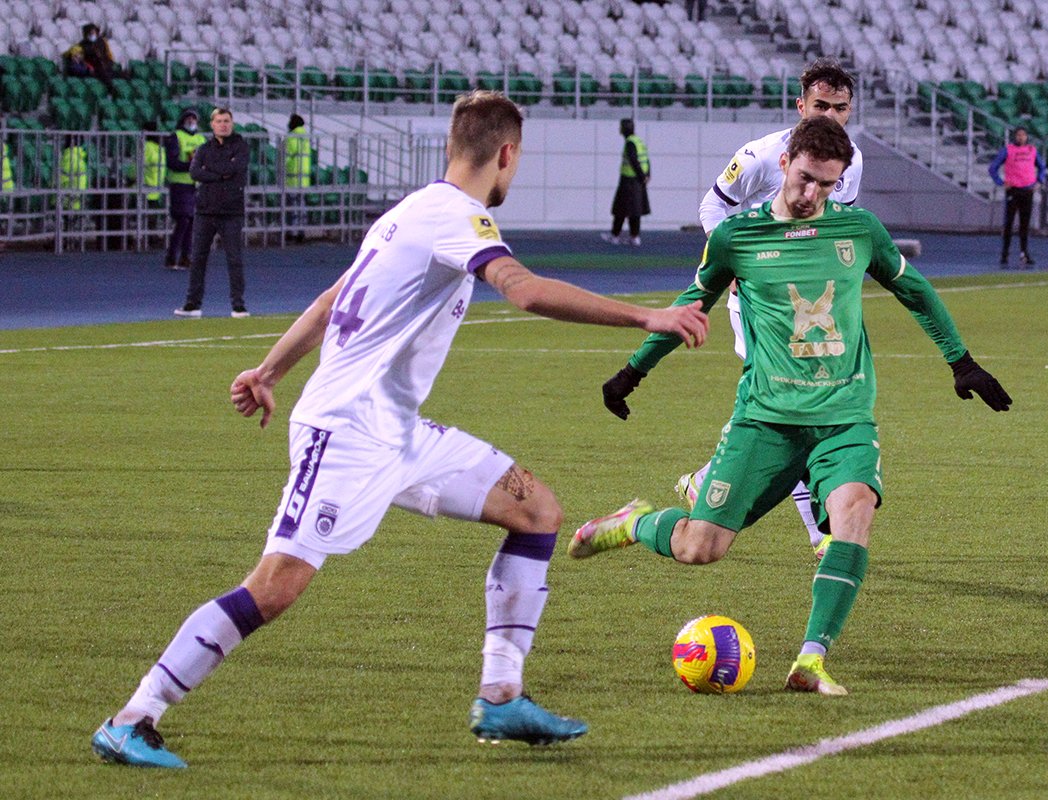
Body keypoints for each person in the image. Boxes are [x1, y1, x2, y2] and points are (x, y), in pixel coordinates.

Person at [92, 90, 707, 768]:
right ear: (506, 154)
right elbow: (524, 289)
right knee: (276, 585)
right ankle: (133, 716)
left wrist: (269, 371)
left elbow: (331, 300)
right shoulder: (459, 218)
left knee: (536, 510)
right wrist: (647, 316)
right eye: (517, 158)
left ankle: (501, 696)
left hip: (399, 433)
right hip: (346, 430)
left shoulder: (408, 211)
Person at [574, 116, 1010, 697]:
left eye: (827, 184)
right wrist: (634, 370)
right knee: (700, 548)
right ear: (784, 163)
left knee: (855, 511)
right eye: (805, 178)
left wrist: (961, 360)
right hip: (766, 419)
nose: (813, 195)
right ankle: (634, 522)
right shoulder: (736, 238)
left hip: (844, 417)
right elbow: (691, 304)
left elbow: (915, 290)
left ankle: (811, 660)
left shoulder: (858, 229)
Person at [678, 57, 863, 564]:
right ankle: (821, 534)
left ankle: (705, 481)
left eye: (840, 107)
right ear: (801, 105)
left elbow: (835, 226)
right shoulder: (761, 155)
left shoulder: (851, 160)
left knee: (796, 406)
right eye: (820, 105)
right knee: (794, 404)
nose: (830, 115)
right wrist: (735, 261)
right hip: (757, 301)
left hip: (812, 305)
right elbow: (712, 205)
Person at [174, 108, 251, 317]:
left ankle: (238, 305)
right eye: (219, 121)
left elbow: (235, 169)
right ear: (212, 124)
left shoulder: (241, 147)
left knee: (234, 259)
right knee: (198, 258)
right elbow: (194, 172)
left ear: (232, 124)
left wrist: (210, 170)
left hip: (231, 211)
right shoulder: (204, 148)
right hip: (205, 211)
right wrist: (221, 173)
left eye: (226, 121)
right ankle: (192, 304)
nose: (223, 125)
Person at [988, 126, 1044, 268]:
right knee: (1009, 223)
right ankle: (1005, 254)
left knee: (1025, 224)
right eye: (1018, 135)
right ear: (1015, 136)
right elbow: (993, 167)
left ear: (1027, 136)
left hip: (1028, 190)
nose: (1021, 137)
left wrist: (1040, 181)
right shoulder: (1008, 150)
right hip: (1013, 190)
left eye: (1023, 135)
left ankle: (1024, 253)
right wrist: (1000, 182)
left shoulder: (1032, 150)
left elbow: (1042, 166)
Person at [163, 109, 204, 271]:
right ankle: (172, 256)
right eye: (189, 118)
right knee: (183, 220)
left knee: (191, 221)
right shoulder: (176, 137)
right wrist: (191, 165)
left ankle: (186, 257)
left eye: (194, 118)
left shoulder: (200, 139)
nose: (192, 121)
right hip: (179, 184)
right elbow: (172, 163)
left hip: (195, 185)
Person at [603, 118, 650, 246]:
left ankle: (615, 235)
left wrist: (641, 176)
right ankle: (635, 237)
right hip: (638, 181)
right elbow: (646, 159)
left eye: (621, 127)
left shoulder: (630, 143)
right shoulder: (639, 141)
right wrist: (646, 175)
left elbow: (634, 160)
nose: (619, 129)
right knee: (635, 210)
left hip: (629, 180)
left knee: (620, 209)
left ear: (624, 129)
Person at [284, 113, 312, 242]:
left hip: (293, 176)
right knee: (302, 204)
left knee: (293, 206)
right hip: (304, 177)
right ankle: (301, 232)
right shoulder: (306, 137)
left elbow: (287, 155)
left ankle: (292, 232)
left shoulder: (292, 137)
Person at [77, 23, 116, 91]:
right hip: (92, 66)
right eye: (91, 33)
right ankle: (111, 90)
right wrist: (89, 66)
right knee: (104, 75)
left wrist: (108, 61)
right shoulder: (82, 45)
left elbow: (107, 54)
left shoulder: (101, 41)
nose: (93, 35)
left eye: (94, 33)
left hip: (105, 64)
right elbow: (81, 59)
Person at [58, 134, 88, 213]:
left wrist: (52, 186)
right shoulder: (79, 156)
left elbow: (62, 176)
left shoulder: (70, 156)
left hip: (66, 197)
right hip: (75, 195)